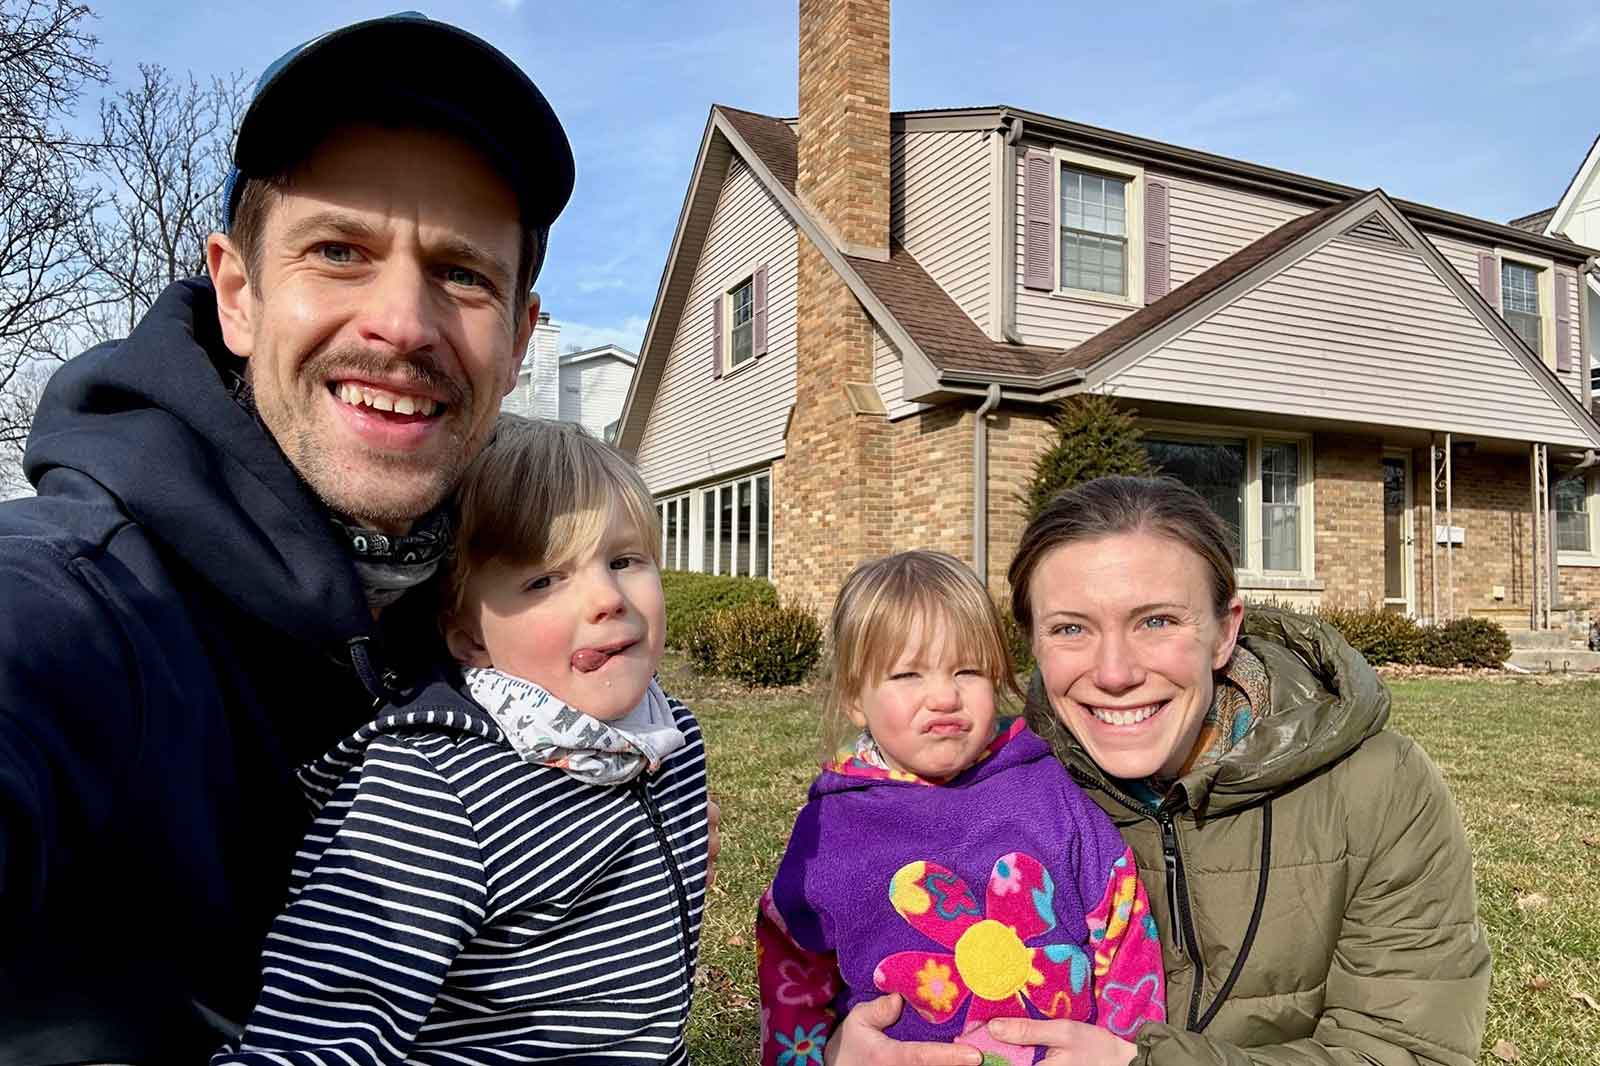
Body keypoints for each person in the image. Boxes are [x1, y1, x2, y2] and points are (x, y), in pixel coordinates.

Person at [0, 13, 586, 1061]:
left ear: (521, 338)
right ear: (236, 292)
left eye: (462, 273)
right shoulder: (93, 601)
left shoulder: (501, 609)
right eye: (338, 250)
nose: (403, 322)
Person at [825, 477, 1490, 1066]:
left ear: (1224, 631)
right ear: (1032, 644)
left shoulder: (1377, 788)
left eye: (1157, 620)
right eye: (1071, 629)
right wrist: (838, 1045)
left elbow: (1404, 1050)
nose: (1115, 673)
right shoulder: (977, 780)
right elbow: (843, 947)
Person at [213, 416, 709, 1064]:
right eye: (543, 580)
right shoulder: (430, 790)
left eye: (623, 559)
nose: (607, 598)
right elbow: (321, 1029)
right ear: (469, 636)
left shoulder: (671, 736)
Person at [760, 551, 1165, 1066]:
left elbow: (1121, 914)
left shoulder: (1046, 786)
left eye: (968, 670)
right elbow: (790, 957)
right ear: (855, 698)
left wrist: (1128, 1050)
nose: (945, 696)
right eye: (908, 674)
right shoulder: (831, 825)